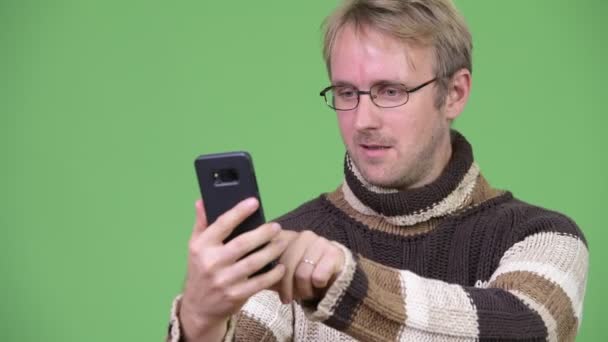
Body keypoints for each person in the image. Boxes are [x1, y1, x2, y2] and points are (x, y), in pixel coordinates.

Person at [166, 0, 589, 341]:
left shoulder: (543, 239)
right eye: (347, 92)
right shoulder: (286, 253)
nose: (363, 119)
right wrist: (199, 323)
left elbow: (526, 329)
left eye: (391, 91)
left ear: (455, 93)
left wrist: (340, 280)